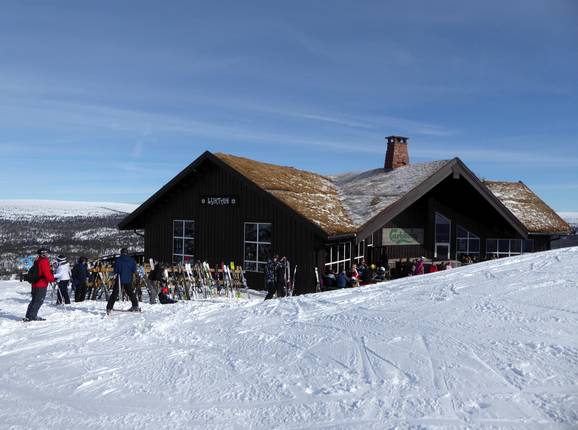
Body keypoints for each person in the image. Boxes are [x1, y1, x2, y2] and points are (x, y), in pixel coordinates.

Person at [24, 248, 55, 322]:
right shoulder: (44, 261)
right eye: (46, 253)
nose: (47, 254)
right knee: (38, 301)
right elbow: (47, 273)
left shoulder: (37, 261)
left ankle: (29, 316)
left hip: (35, 283)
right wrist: (53, 279)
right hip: (41, 284)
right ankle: (32, 317)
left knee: (34, 300)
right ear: (43, 254)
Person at [106, 248, 139, 314]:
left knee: (115, 293)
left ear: (121, 253)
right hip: (128, 279)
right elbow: (134, 270)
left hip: (120, 278)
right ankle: (135, 305)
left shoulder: (118, 260)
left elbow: (116, 270)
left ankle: (109, 307)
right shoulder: (132, 260)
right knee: (130, 292)